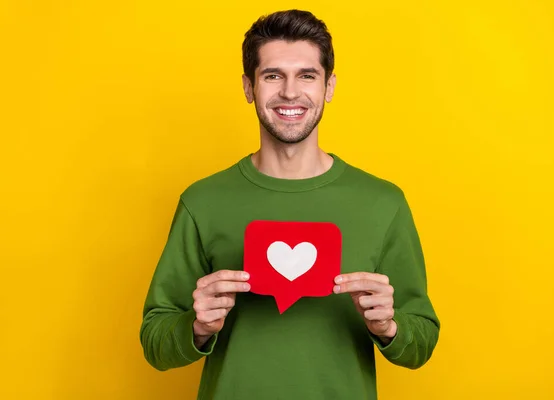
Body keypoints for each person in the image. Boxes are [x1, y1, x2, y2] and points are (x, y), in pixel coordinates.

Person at [140, 9, 440, 400]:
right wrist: (195, 327)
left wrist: (391, 327)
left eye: (307, 75)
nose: (290, 92)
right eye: (273, 75)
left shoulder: (383, 202)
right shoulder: (203, 200)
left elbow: (422, 341)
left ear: (329, 86)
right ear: (249, 87)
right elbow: (155, 342)